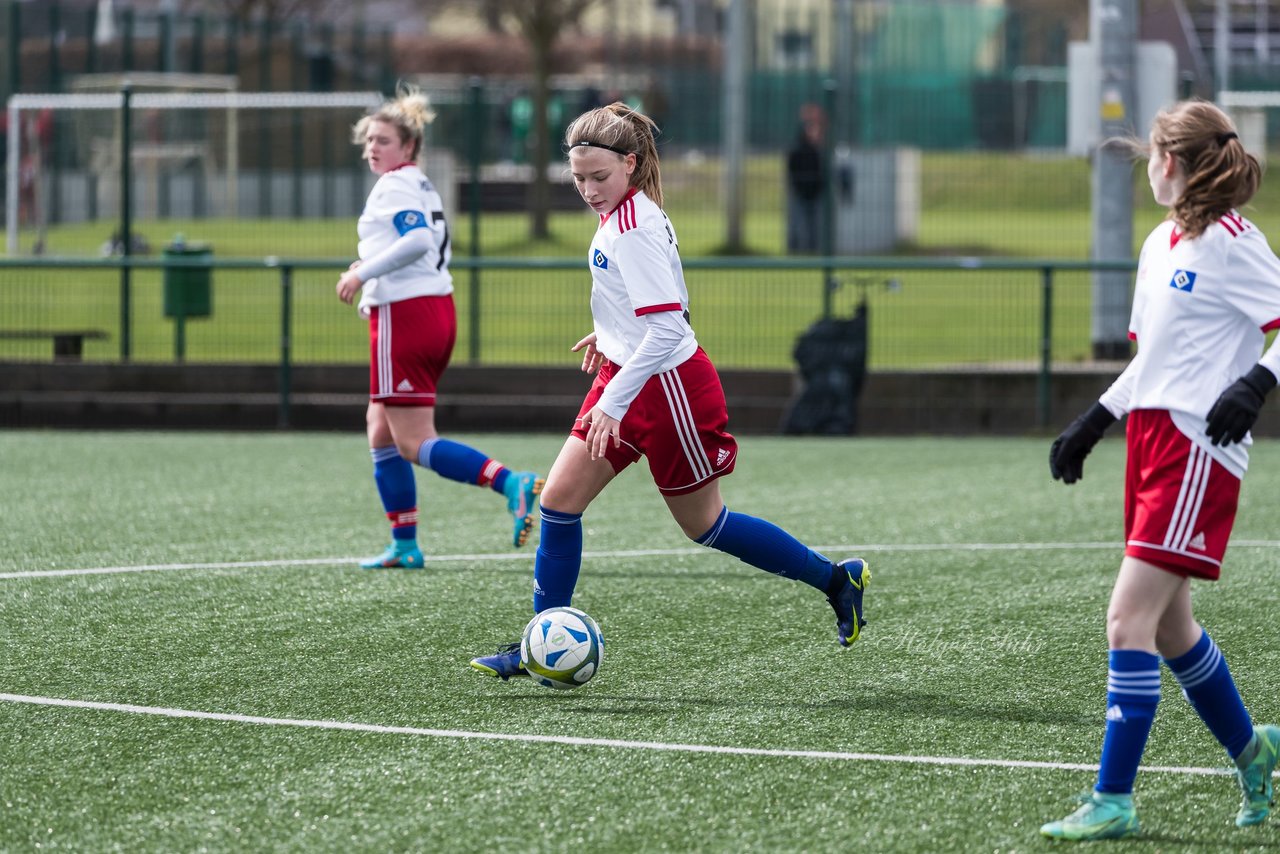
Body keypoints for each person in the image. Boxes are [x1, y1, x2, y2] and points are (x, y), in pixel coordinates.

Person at [469, 103, 871, 680]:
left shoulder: (632, 226)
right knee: (558, 503)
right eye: (578, 177)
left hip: (668, 388)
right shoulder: (628, 211)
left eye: (598, 177)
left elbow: (669, 328)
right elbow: (657, 305)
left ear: (630, 164)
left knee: (705, 525)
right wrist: (609, 332)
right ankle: (541, 646)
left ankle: (837, 580)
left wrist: (613, 397)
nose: (587, 189)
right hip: (627, 373)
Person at [1041, 99, 1280, 841]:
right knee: (1172, 629)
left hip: (1198, 452)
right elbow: (1154, 361)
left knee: (1127, 618)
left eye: (1151, 154)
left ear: (1170, 162)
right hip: (1149, 441)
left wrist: (1258, 382)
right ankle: (1254, 751)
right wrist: (1097, 420)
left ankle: (1113, 798)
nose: (1147, 166)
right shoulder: (1159, 244)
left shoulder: (1236, 244)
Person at [336, 86, 543, 569]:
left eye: (383, 140)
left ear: (408, 147)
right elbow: (413, 243)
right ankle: (404, 544)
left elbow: (417, 241)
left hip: (407, 317)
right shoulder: (418, 182)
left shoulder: (395, 184)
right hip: (432, 310)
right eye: (369, 141)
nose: (373, 149)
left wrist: (361, 273)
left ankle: (509, 481)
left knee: (410, 440)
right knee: (380, 429)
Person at [786, 104, 826, 254]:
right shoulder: (798, 148)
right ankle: (795, 250)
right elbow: (792, 168)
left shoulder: (820, 150)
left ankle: (813, 251)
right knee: (797, 224)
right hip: (800, 192)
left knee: (815, 226)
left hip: (815, 192)